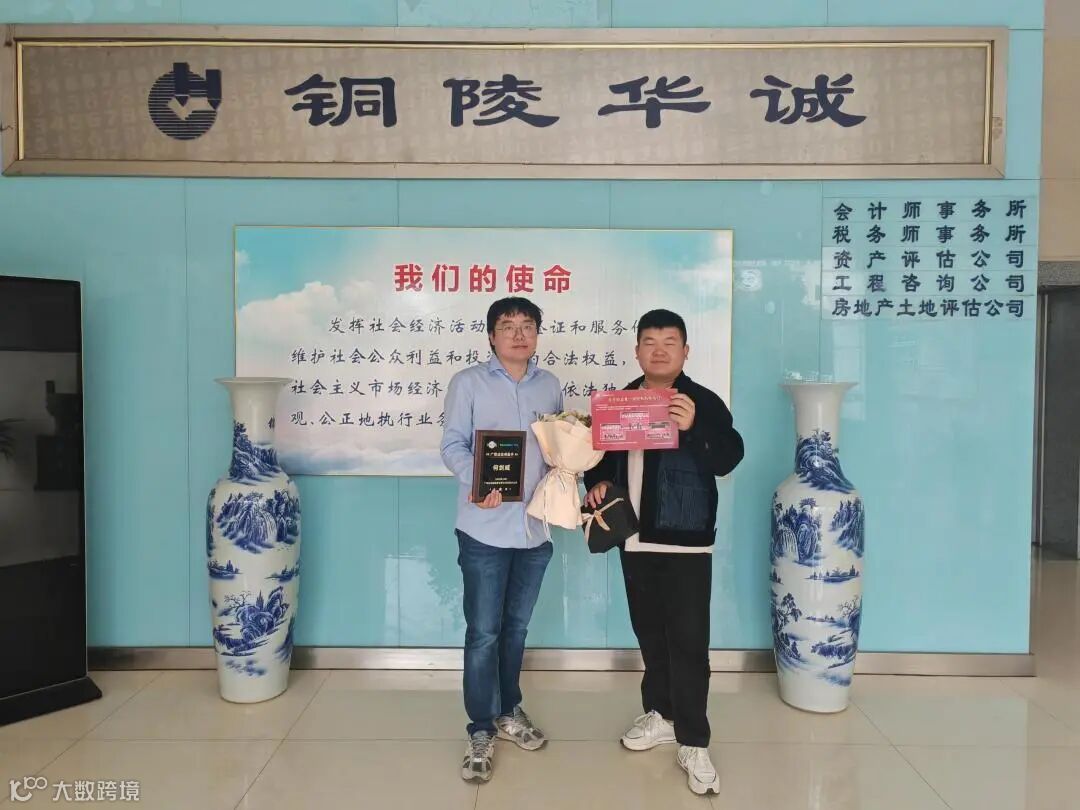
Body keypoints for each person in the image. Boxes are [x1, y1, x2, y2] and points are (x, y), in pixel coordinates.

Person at [584, 308, 744, 796]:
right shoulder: (620, 401)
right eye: (649, 342)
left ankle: (694, 741)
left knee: (689, 642)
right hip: (633, 539)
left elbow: (729, 457)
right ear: (636, 351)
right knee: (650, 635)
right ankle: (661, 713)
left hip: (687, 542)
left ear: (685, 351)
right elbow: (600, 458)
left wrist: (693, 427)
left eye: (669, 342)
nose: (658, 350)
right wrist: (596, 483)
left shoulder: (703, 401)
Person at [440, 296, 564, 783]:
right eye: (508, 326)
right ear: (491, 336)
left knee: (515, 630)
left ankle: (509, 709)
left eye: (527, 325)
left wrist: (570, 467)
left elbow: (557, 449)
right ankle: (480, 727)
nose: (518, 334)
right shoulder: (468, 383)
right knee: (483, 633)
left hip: (535, 528)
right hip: (483, 529)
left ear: (537, 334)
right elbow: (452, 443)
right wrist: (476, 481)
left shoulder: (550, 385)